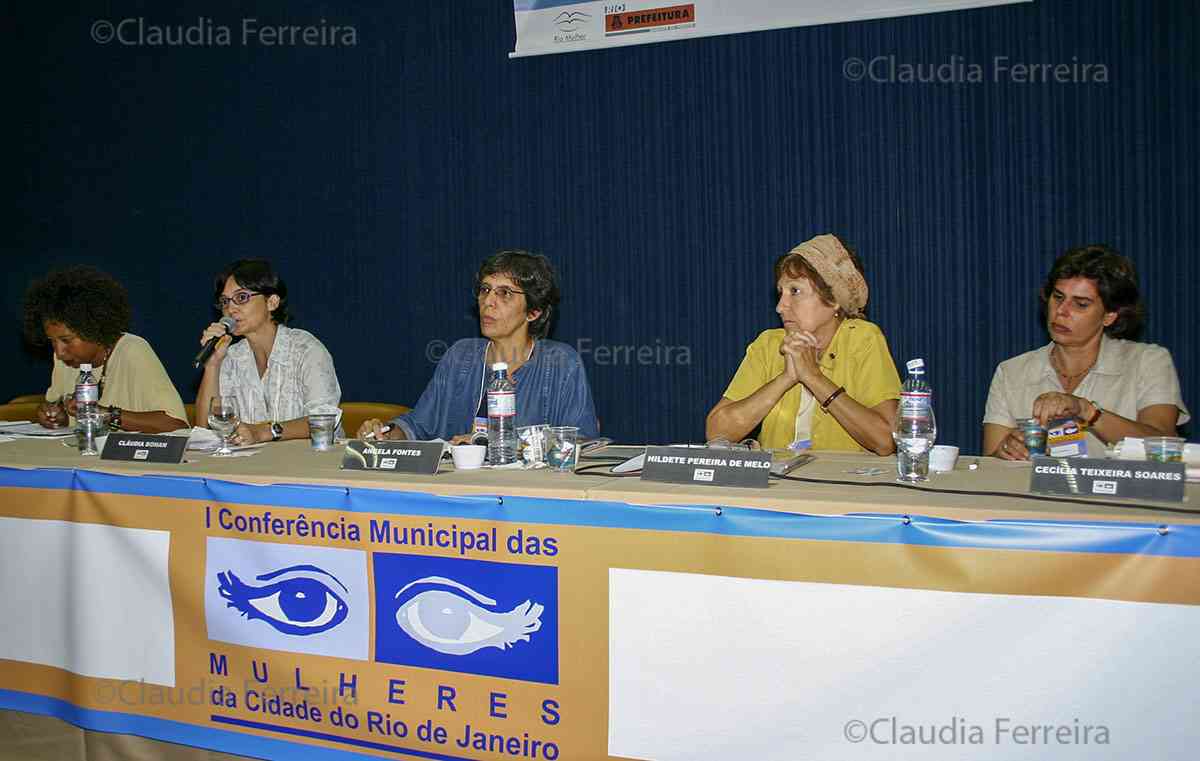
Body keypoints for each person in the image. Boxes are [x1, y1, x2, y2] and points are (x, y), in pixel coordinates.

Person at [358, 250, 599, 441]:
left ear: (534, 312)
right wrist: (388, 433)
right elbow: (418, 424)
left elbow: (580, 441)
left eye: (505, 293)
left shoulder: (561, 362)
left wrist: (494, 444)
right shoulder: (460, 356)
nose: (488, 302)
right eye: (485, 290)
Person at [983, 245, 1189, 459]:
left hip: (1125, 492)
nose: (1061, 311)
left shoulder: (1148, 361)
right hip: (1038, 491)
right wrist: (1006, 451)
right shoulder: (1011, 371)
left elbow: (1162, 446)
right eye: (1058, 297)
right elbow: (990, 464)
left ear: (1110, 315)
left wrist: (1087, 411)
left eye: (1081, 304)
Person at [706, 235, 901, 454]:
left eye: (795, 291)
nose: (781, 306)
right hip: (779, 485)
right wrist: (786, 378)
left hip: (844, 485)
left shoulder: (863, 340)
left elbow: (886, 440)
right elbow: (717, 433)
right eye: (781, 293)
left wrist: (813, 377)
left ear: (834, 298)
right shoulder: (768, 345)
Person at [23, 266, 188, 433]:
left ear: (94, 328)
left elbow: (175, 425)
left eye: (67, 340)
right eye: (53, 341)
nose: (59, 352)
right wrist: (55, 415)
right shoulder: (64, 360)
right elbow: (58, 407)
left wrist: (104, 414)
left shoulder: (132, 350)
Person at [196, 259, 342, 444]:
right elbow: (204, 430)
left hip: (309, 464)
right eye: (225, 302)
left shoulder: (306, 350)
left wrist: (263, 432)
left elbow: (325, 422)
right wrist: (213, 365)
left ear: (272, 302)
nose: (230, 309)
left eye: (241, 298)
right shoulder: (231, 357)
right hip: (249, 466)